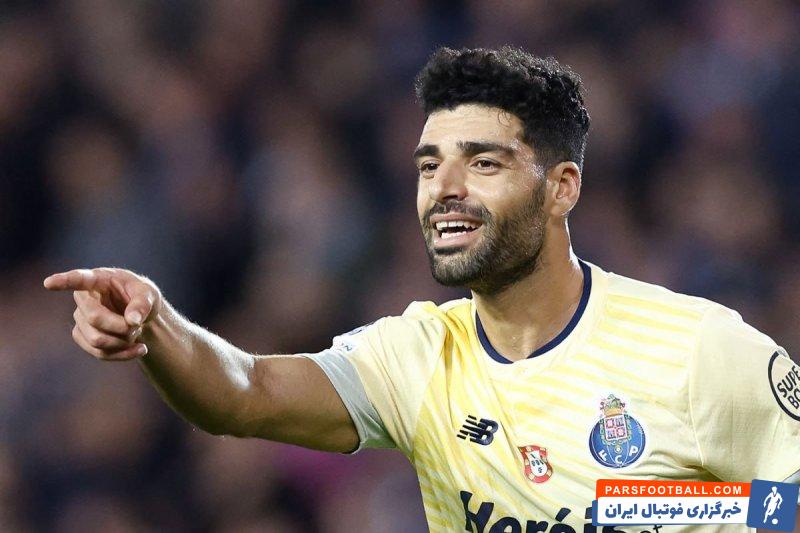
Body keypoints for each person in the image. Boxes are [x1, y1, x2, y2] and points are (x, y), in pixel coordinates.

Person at [43, 46, 800, 532]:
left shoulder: (699, 347)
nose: (444, 188)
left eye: (483, 163)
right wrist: (156, 323)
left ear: (562, 187)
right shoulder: (416, 355)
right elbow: (244, 393)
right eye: (429, 164)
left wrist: (657, 508)